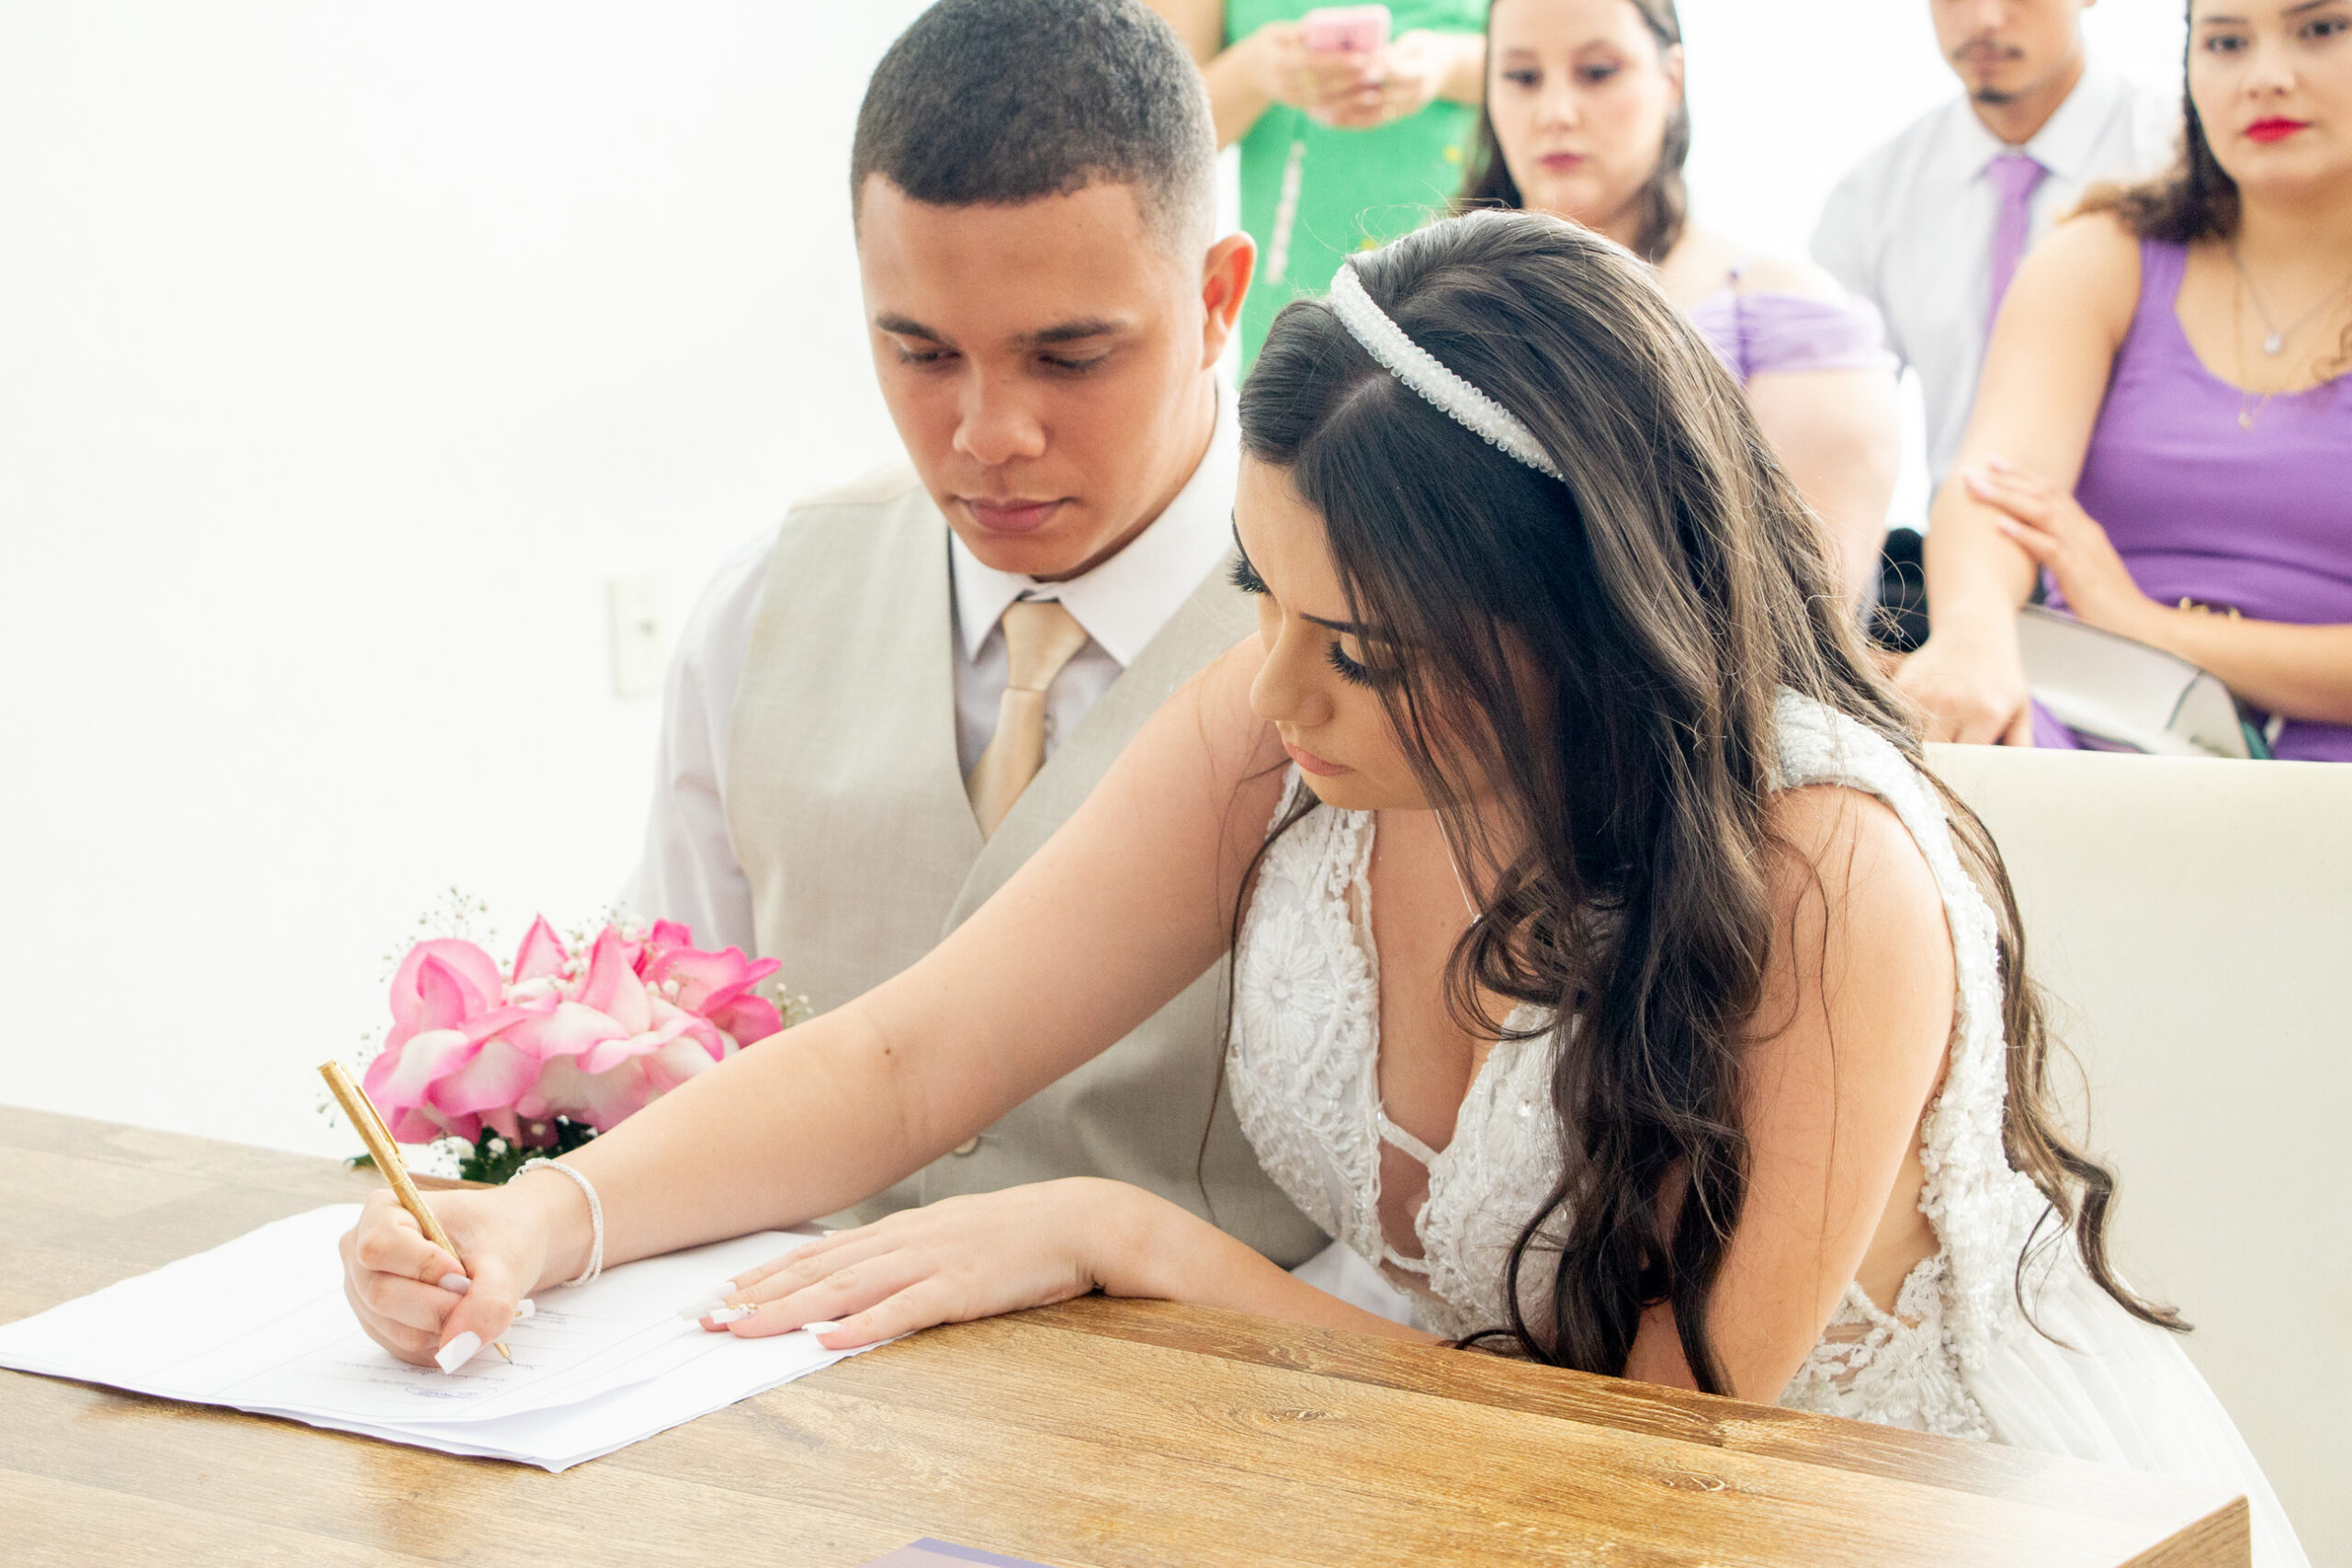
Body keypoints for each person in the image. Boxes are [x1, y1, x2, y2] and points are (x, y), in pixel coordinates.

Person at [341, 212, 2306, 1564]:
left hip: (1840, 1516)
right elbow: (911, 1052)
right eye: (1261, 593)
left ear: (1583, 627)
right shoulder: (1292, 703)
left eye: (1361, 645)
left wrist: (1153, 1244)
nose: (1273, 697)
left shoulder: (1820, 872)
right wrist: (549, 1225)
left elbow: (1653, 1475)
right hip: (1409, 1471)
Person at [622, 0, 1328, 1269]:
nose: (989, 430)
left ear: (1220, 298)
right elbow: (667, 1047)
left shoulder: (1363, 646)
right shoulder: (758, 612)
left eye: (1068, 358)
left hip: (1221, 1421)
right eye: (921, 352)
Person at [1899, 0, 2352, 759]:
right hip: (2095, 725)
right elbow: (1994, 489)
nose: (2266, 78)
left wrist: (2149, 627)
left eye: (2321, 29)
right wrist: (1971, 639)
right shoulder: (2102, 255)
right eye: (2227, 42)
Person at [1459, 0, 1900, 606]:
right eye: (1522, 78)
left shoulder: (1781, 313)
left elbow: (1810, 618)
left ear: (1672, 78)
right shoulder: (1424, 297)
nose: (1555, 113)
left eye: (1597, 72)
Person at [1814, 0, 2174, 494]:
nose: (1984, 18)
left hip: (2147, 551)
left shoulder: (2180, 161)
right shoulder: (1874, 197)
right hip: (1952, 547)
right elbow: (1833, 431)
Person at [1148, 1, 1489, 372]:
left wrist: (1448, 65)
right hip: (1294, 301)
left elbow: (1551, 53)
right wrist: (1252, 72)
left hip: (1468, 281)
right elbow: (1151, 138)